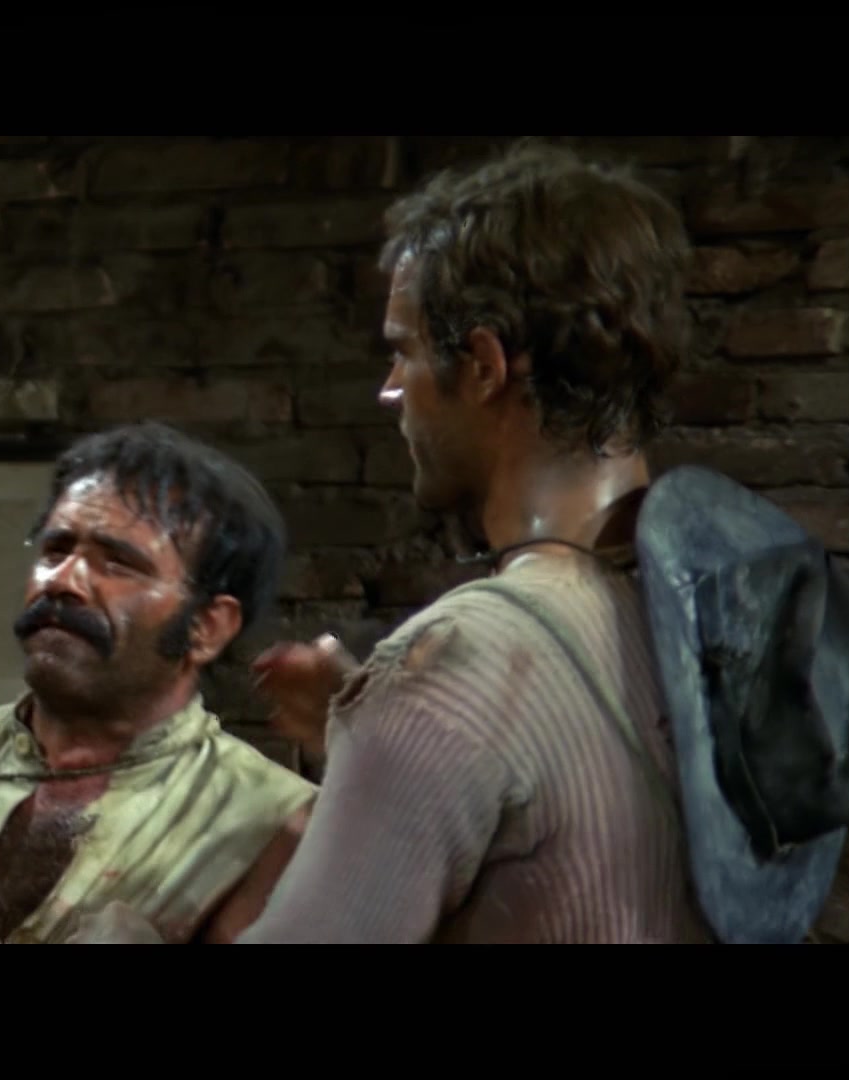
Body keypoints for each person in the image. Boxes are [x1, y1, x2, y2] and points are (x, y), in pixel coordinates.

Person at [239, 141, 716, 942]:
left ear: (485, 365)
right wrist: (377, 740)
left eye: (405, 351)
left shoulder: (454, 662)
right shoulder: (709, 611)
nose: (391, 389)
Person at [0, 422, 315, 944]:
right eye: (55, 550)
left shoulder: (267, 824)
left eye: (119, 564)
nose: (62, 580)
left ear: (206, 626)